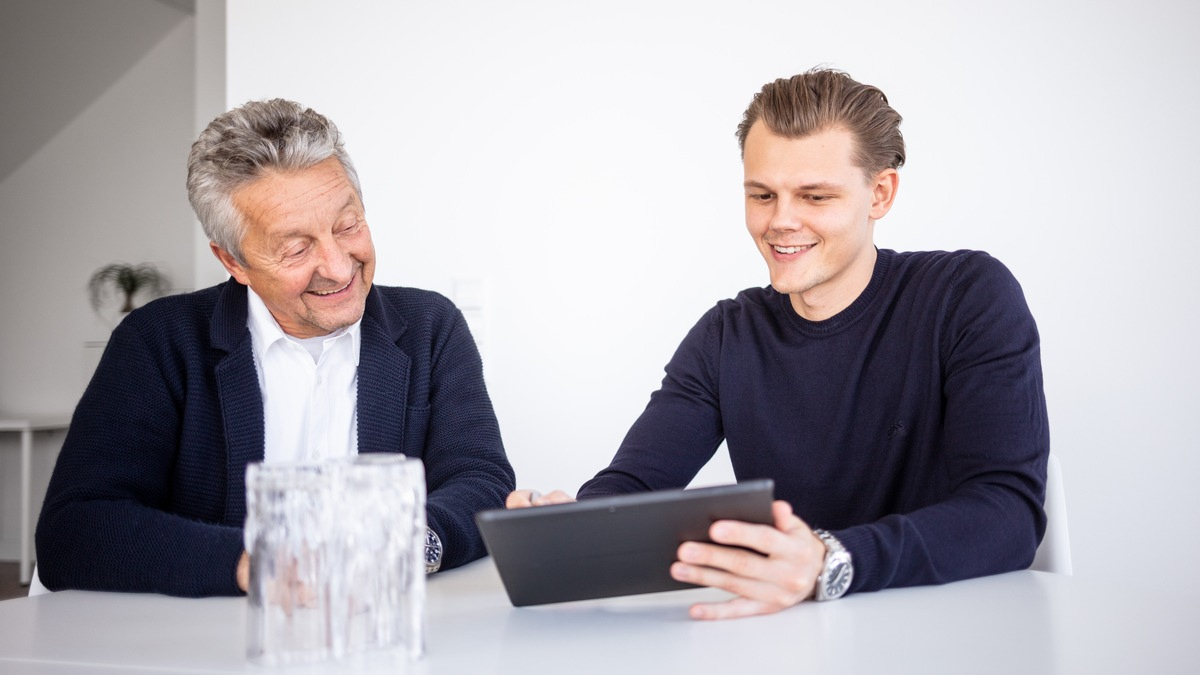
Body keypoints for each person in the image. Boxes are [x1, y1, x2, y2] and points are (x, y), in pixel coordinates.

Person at [509, 68, 1049, 620]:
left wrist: (829, 561)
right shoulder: (728, 335)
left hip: (949, 626)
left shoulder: (967, 297)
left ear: (880, 193)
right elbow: (635, 485)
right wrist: (572, 526)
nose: (781, 221)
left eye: (815, 196)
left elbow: (1009, 515)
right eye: (762, 195)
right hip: (792, 636)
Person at [36, 99, 515, 597]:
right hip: (204, 637)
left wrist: (406, 546)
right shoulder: (158, 341)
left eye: (348, 225)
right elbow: (75, 530)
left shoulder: (431, 326)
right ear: (233, 262)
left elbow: (481, 481)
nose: (338, 266)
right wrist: (260, 565)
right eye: (296, 248)